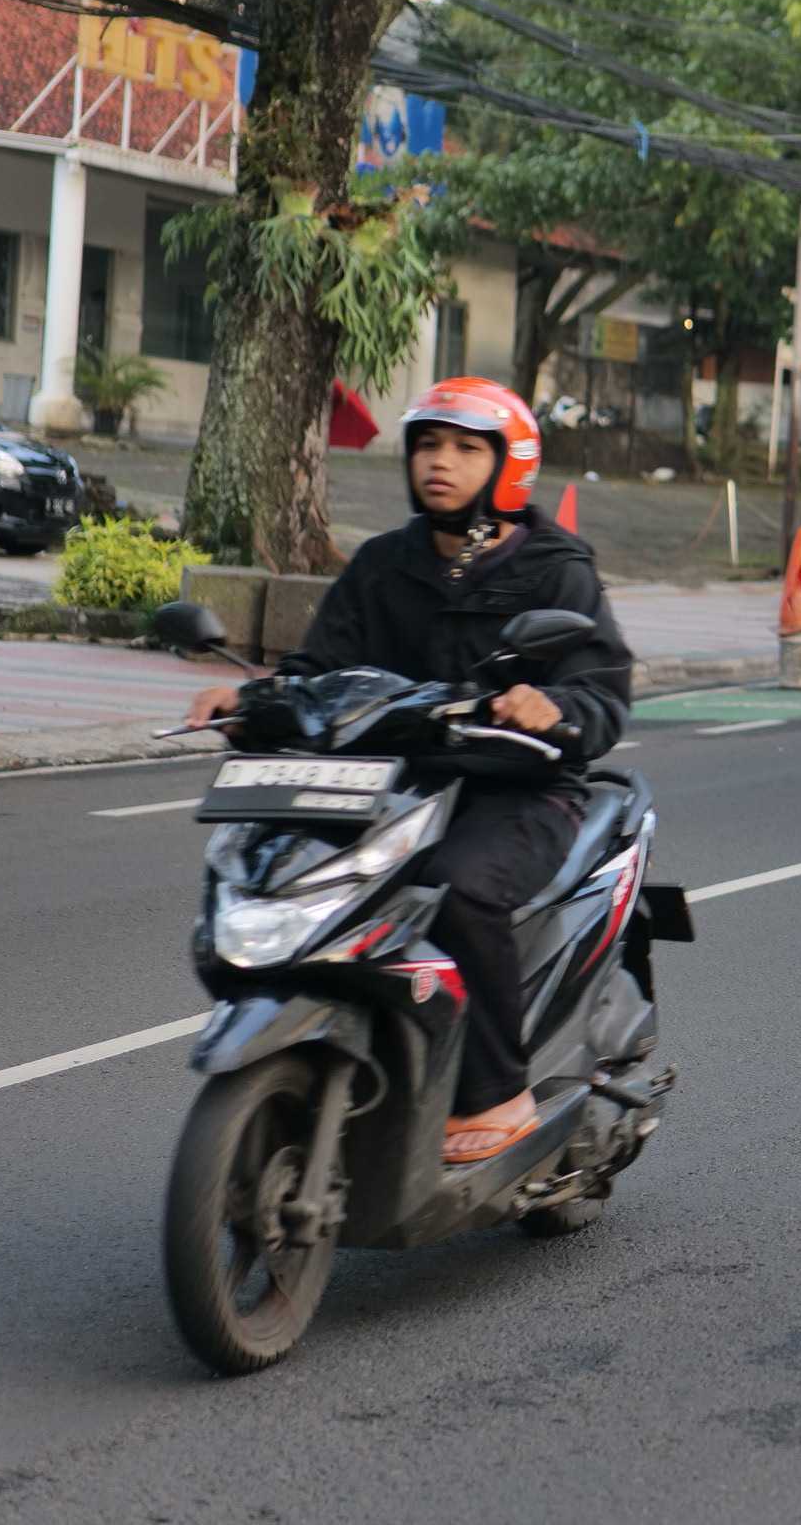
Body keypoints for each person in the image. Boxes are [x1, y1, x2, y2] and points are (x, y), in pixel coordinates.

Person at [183, 379, 634, 1165]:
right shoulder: (384, 563)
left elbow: (601, 694)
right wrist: (253, 700)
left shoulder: (556, 569)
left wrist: (551, 707)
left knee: (459, 887)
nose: (439, 462)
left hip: (518, 789)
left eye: (464, 448)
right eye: (428, 444)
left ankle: (499, 1093)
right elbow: (321, 670)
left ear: (509, 465)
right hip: (391, 787)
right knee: (281, 868)